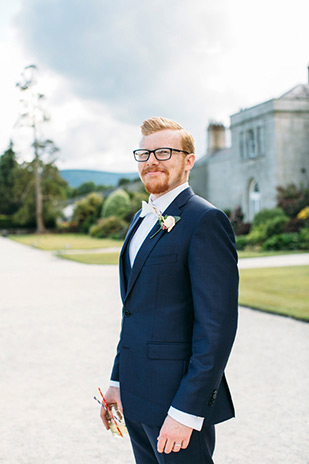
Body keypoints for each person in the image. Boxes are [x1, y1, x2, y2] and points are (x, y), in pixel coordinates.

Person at [101, 116, 239, 463]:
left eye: (164, 152)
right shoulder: (139, 220)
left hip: (176, 404)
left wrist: (187, 411)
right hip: (136, 399)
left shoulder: (205, 220)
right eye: (144, 153)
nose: (151, 161)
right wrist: (118, 382)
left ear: (188, 160)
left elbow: (216, 328)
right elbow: (135, 312)